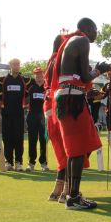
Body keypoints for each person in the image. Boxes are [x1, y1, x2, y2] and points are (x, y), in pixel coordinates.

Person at [51, 18, 111, 210]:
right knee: (77, 150)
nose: (96, 33)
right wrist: (100, 70)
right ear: (87, 28)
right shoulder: (83, 40)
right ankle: (73, 197)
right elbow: (86, 77)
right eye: (95, 28)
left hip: (67, 98)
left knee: (76, 149)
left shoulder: (71, 42)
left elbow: (77, 75)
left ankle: (72, 194)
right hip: (72, 100)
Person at [43, 35, 69, 202]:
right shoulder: (61, 61)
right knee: (71, 151)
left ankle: (58, 190)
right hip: (61, 108)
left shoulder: (51, 62)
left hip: (50, 109)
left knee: (62, 151)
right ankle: (68, 189)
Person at [0, 58, 32, 171]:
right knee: (7, 138)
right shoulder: (2, 80)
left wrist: (27, 106)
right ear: (10, 65)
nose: (17, 66)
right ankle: (9, 162)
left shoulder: (25, 81)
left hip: (19, 114)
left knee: (19, 138)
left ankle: (19, 163)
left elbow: (31, 95)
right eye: (14, 64)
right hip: (6, 115)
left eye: (18, 64)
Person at [26, 67, 48, 171]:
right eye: (37, 75)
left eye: (41, 75)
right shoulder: (30, 86)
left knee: (43, 140)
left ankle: (44, 163)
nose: (39, 77)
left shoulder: (47, 87)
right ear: (34, 76)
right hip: (32, 116)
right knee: (32, 140)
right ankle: (31, 163)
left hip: (44, 117)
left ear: (44, 75)